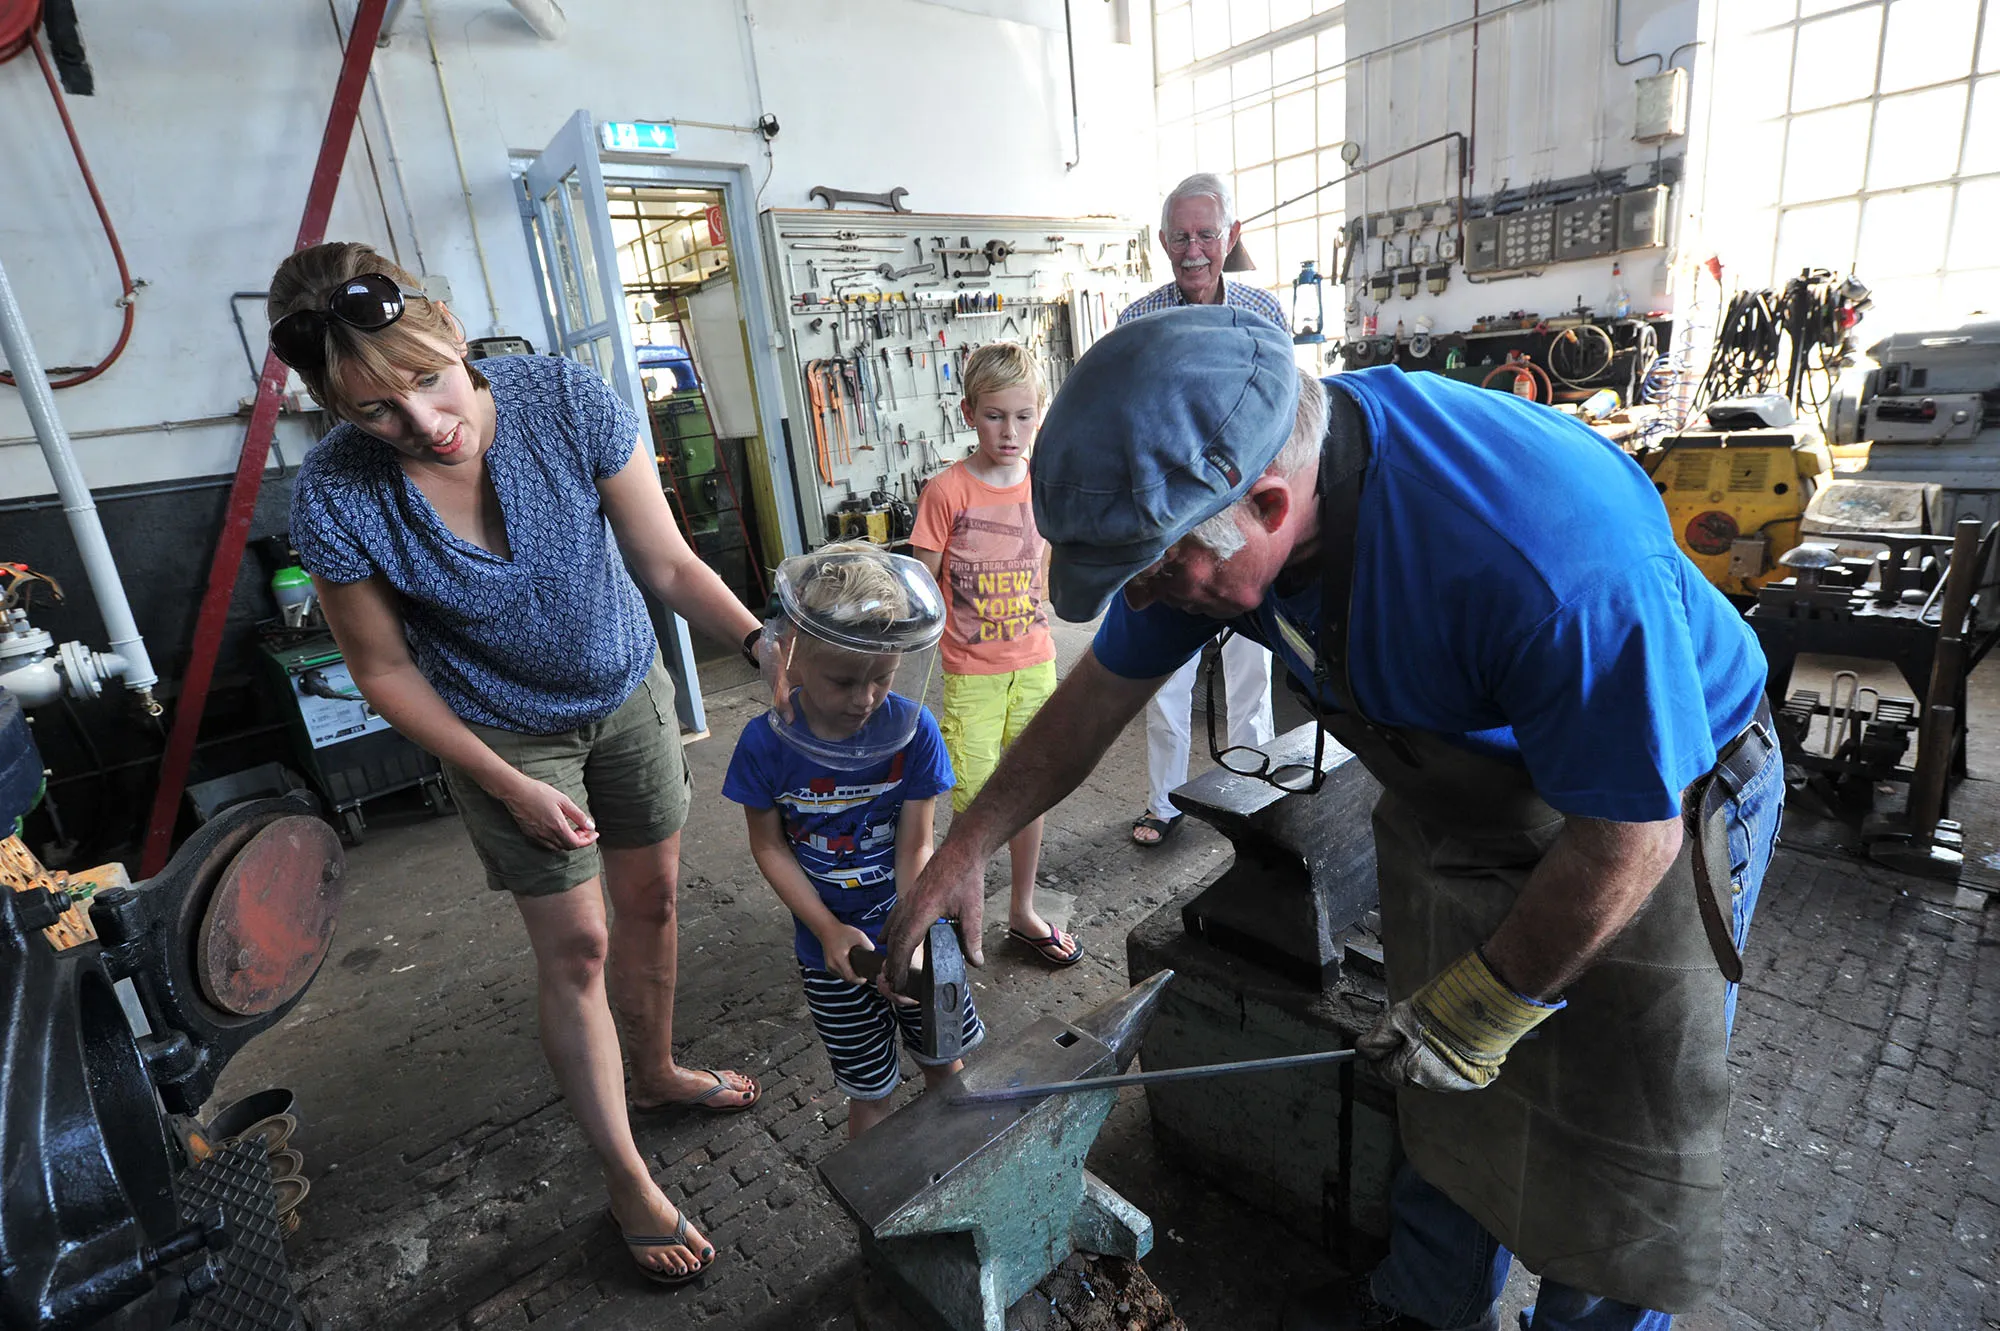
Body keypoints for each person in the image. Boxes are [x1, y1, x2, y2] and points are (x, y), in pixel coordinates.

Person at [878, 307, 1784, 1331]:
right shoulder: (1197, 520)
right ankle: (1428, 1306)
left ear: (1265, 501)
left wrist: (1486, 1001)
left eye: (1163, 574)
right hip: (1469, 796)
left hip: (1651, 803)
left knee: (1609, 1149)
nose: (1156, 596)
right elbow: (1092, 702)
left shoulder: (1541, 554)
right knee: (1440, 1098)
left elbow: (1626, 837)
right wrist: (967, 844)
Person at [277, 242, 765, 1287]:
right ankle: (626, 1174)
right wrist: (505, 780)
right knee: (579, 944)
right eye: (374, 411)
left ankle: (661, 1066)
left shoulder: (561, 396)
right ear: (335, 410)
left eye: (426, 379)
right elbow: (383, 670)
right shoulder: (338, 494)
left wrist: (764, 644)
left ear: (451, 331)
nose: (420, 423)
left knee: (656, 901)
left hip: (625, 688)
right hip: (500, 730)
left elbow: (667, 559)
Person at [722, 542, 982, 1139]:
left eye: (883, 679)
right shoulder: (765, 745)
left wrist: (911, 935)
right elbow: (769, 847)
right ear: (791, 656)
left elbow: (915, 846)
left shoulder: (914, 734)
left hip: (916, 935)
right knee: (872, 1094)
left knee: (947, 1067)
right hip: (829, 955)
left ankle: (968, 1161)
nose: (865, 699)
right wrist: (828, 929)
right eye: (843, 681)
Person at [1119, 172, 1277, 846]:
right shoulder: (1136, 322)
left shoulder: (1265, 312)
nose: (1193, 249)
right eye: (1180, 236)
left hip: (1246, 517)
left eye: (1207, 234)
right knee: (1165, 671)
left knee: (1254, 665)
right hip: (1173, 519)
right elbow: (1129, 427)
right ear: (1162, 241)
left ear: (1230, 237)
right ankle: (1163, 801)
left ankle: (1260, 790)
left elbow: (1283, 414)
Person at [909, 342, 1078, 968]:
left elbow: (1055, 572)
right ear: (968, 413)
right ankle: (961, 915)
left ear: (1040, 415)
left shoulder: (1046, 487)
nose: (1010, 431)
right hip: (972, 677)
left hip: (1035, 663)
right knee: (978, 805)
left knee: (1029, 791)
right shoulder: (946, 491)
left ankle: (1022, 909)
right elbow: (923, 594)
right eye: (994, 416)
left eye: (1023, 416)